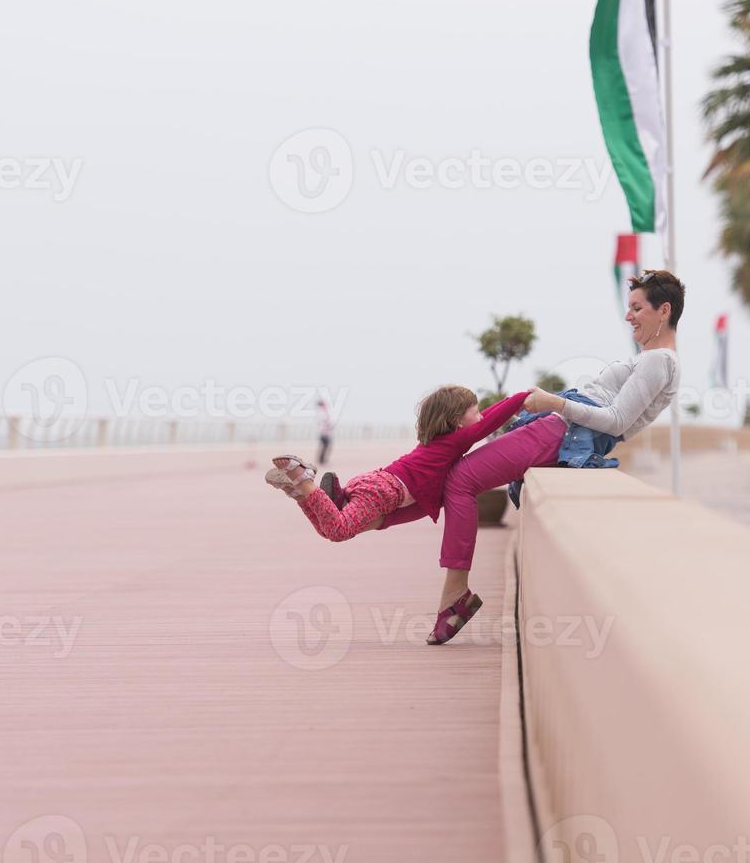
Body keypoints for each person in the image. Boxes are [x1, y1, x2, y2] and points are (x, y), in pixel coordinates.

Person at [422, 270, 685, 645]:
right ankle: (378, 509)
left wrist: (553, 403)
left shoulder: (659, 361)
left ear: (664, 311)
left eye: (637, 308)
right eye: (629, 308)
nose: (628, 316)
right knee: (451, 473)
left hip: (561, 432)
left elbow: (616, 422)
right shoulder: (655, 360)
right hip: (558, 428)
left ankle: (453, 592)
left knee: (459, 479)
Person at [266, 385, 530, 643]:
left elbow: (416, 507)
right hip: (384, 490)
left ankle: (299, 493)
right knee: (338, 529)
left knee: (329, 530)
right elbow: (493, 421)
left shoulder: (439, 442)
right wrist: (523, 397)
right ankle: (303, 478)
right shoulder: (456, 440)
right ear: (457, 421)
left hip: (378, 483)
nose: (481, 416)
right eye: (476, 411)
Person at [315, 398, 335, 466]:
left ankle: (322, 460)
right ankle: (322, 460)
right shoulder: (322, 413)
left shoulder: (323, 412)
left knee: (325, 446)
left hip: (325, 433)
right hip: (324, 433)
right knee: (325, 446)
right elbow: (325, 422)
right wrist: (329, 427)